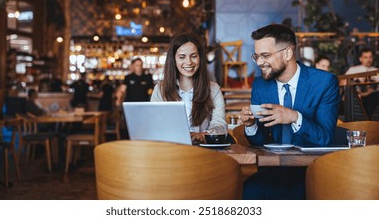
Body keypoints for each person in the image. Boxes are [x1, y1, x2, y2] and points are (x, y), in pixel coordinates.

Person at [239, 24, 340, 199]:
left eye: (265, 56)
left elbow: (325, 138)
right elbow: (260, 141)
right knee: (248, 189)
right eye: (257, 56)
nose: (260, 62)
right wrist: (251, 125)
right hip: (272, 172)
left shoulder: (324, 83)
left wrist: (294, 117)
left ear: (287, 53)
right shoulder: (260, 85)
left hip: (311, 172)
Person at [151, 33, 227, 144]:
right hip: (170, 150)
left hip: (203, 152)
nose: (189, 62)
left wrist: (205, 134)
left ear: (200, 58)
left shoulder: (214, 90)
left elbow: (219, 124)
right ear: (174, 59)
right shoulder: (160, 90)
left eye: (193, 56)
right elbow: (154, 125)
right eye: (182, 57)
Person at [344, 48, 379, 119]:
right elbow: (344, 82)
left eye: (370, 57)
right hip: (356, 97)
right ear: (360, 59)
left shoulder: (376, 71)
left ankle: (367, 120)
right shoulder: (353, 69)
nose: (368, 59)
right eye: (365, 57)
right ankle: (367, 119)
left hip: (372, 96)